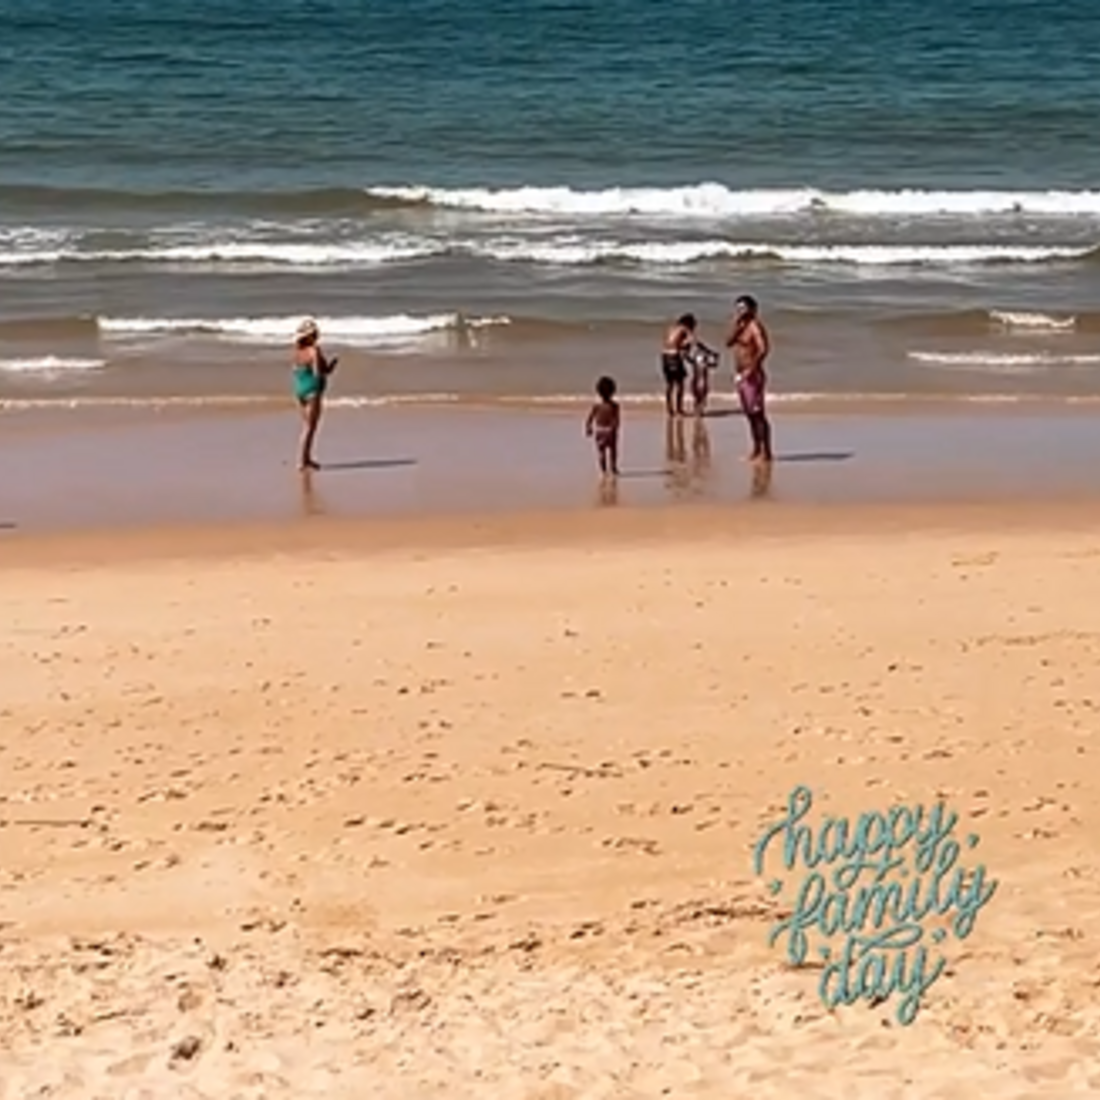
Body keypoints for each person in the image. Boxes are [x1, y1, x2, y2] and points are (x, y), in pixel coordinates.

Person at [726, 295, 772, 463]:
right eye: (738, 308)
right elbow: (728, 342)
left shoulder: (755, 327)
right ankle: (756, 449)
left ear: (753, 309)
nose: (740, 311)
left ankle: (766, 452)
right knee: (749, 415)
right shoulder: (740, 326)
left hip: (752, 375)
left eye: (744, 308)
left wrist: (752, 369)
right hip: (740, 374)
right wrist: (736, 326)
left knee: (758, 414)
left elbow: (763, 349)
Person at [291, 318, 337, 471]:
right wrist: (328, 369)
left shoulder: (297, 352)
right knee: (310, 428)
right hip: (312, 390)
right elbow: (319, 372)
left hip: (299, 391)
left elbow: (298, 371)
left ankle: (306, 458)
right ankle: (302, 461)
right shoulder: (314, 350)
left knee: (307, 427)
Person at [660, 314, 699, 417]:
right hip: (674, 356)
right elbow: (692, 341)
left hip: (664, 356)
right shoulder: (685, 329)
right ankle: (679, 409)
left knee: (669, 384)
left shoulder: (672, 328)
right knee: (680, 385)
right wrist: (690, 357)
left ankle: (669, 409)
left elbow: (670, 342)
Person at [585, 374, 621, 477]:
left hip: (600, 431)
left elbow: (590, 418)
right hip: (610, 430)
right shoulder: (614, 406)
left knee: (601, 452)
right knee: (613, 451)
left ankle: (603, 470)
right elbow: (616, 419)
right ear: (613, 391)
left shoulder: (596, 406)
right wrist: (616, 427)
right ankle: (613, 468)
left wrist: (588, 427)